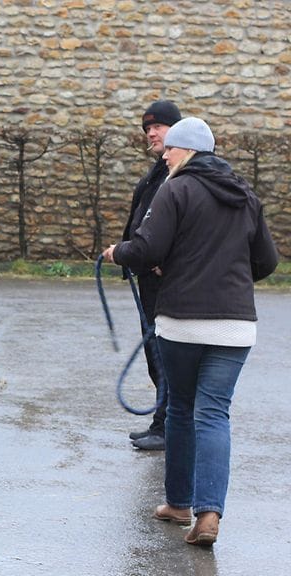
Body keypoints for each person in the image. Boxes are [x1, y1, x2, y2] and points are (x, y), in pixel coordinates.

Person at [103, 117, 278, 547]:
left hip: (181, 322)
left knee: (181, 408)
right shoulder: (245, 194)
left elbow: (147, 249)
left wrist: (115, 253)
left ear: (190, 152)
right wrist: (229, 277)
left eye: (171, 149)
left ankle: (179, 502)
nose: (164, 154)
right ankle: (209, 512)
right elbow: (267, 261)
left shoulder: (174, 189)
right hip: (235, 326)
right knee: (214, 413)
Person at [123, 100, 181, 451]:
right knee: (155, 351)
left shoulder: (177, 174)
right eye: (147, 129)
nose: (151, 133)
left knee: (165, 352)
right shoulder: (158, 172)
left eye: (158, 126)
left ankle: (168, 425)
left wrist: (163, 257)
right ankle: (162, 421)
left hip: (165, 278)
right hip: (148, 275)